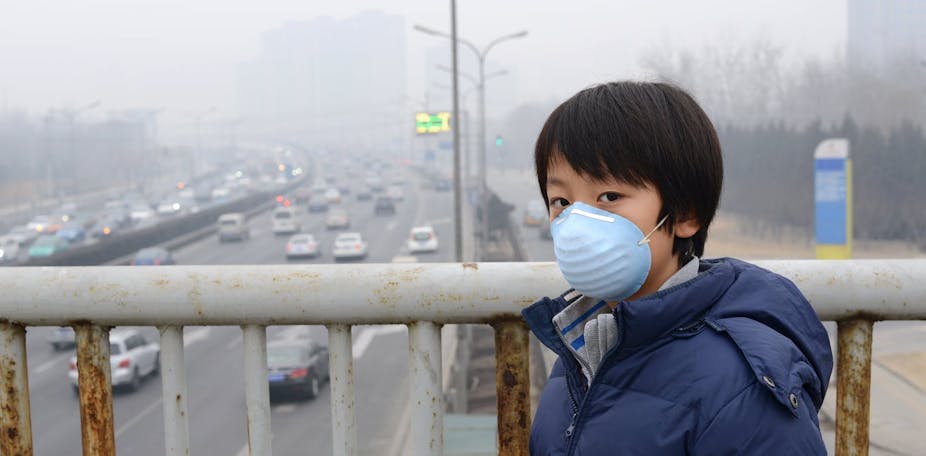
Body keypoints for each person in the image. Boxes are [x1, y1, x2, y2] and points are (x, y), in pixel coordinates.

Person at [521, 81, 833, 454]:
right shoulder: (582, 353)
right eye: (561, 201)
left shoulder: (743, 389)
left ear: (685, 213)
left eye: (609, 196)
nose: (576, 221)